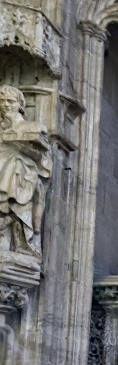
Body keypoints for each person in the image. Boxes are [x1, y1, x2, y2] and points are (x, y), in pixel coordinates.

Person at [0, 85, 52, 256]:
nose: (6, 105)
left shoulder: (35, 127)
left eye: (10, 101)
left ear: (20, 105)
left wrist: (19, 146)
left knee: (16, 164)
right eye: (2, 101)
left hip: (23, 170)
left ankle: (14, 227)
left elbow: (43, 158)